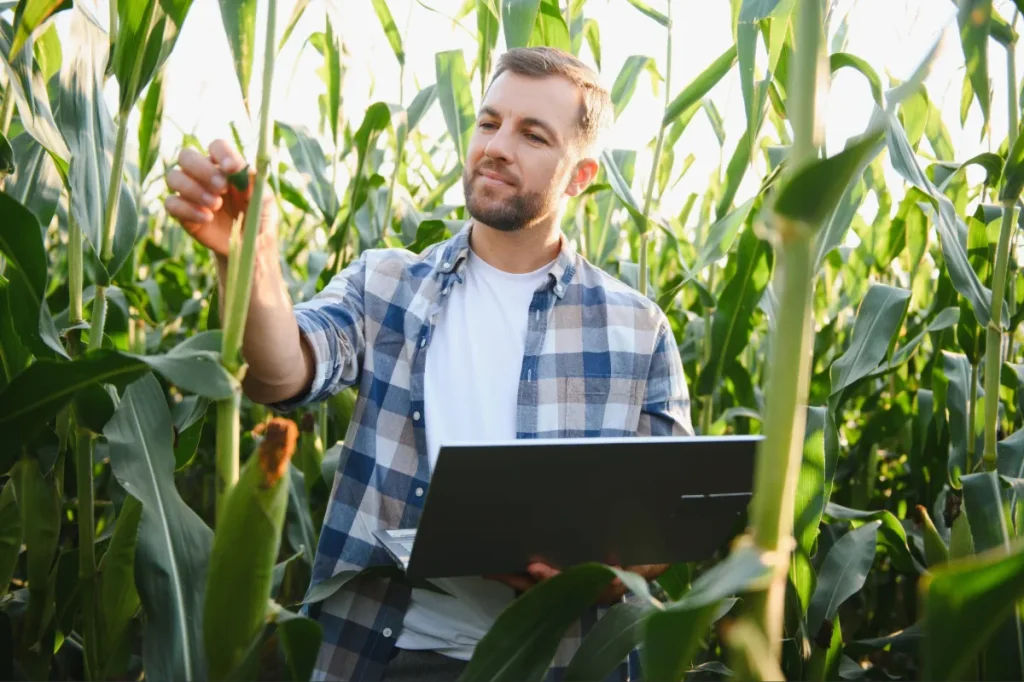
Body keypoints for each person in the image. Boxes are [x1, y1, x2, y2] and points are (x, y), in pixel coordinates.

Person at [166, 46, 693, 682]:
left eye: (532, 134)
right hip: (390, 653)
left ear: (579, 177)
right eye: (489, 122)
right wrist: (249, 255)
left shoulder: (637, 329)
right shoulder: (387, 285)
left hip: (557, 661)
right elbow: (281, 374)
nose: (497, 146)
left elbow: (664, 519)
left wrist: (596, 582)